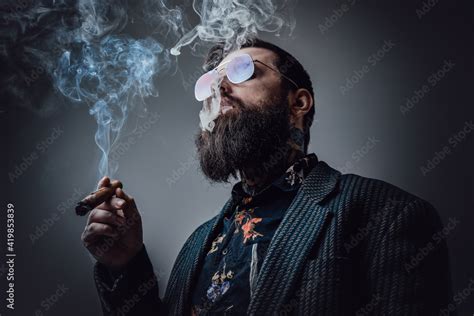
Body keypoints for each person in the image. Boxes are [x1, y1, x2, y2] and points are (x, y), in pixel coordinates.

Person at [81, 38, 453, 315]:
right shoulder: (197, 245)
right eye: (211, 83)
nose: (219, 88)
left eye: (242, 71)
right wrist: (124, 264)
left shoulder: (386, 215)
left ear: (299, 103)